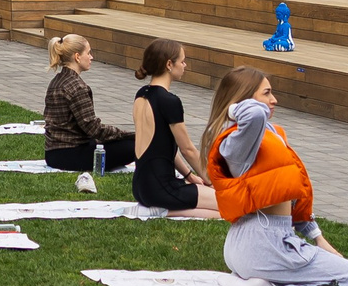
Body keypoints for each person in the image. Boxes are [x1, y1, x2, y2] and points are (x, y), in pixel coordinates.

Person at [198, 66, 348, 286]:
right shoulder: (237, 144)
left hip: (255, 242)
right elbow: (254, 115)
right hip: (264, 244)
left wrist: (318, 238)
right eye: (266, 93)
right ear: (244, 99)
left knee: (336, 269)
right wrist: (231, 106)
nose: (274, 100)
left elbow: (293, 195)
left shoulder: (268, 133)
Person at [131, 38, 219, 216]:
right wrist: (211, 179)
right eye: (182, 61)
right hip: (162, 190)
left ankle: (166, 209)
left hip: (141, 187)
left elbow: (161, 147)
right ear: (169, 64)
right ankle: (166, 211)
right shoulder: (169, 101)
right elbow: (188, 150)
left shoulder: (141, 94)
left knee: (221, 205)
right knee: (230, 205)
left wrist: (189, 176)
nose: (185, 65)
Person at [42, 33, 137, 193]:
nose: (91, 57)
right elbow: (94, 129)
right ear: (77, 57)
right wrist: (131, 135)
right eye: (89, 53)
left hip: (53, 152)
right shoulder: (77, 87)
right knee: (135, 147)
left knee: (120, 143)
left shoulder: (57, 81)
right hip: (69, 154)